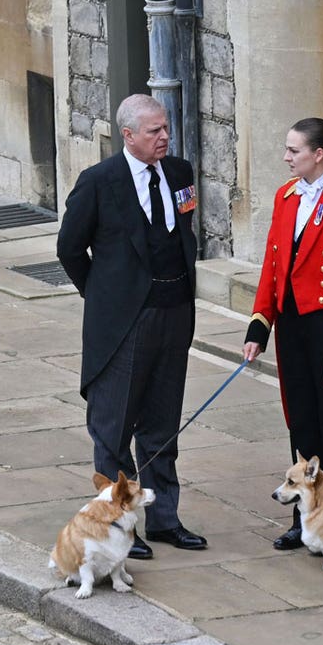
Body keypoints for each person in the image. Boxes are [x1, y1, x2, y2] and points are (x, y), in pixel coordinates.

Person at [56, 93, 207, 560]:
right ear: (127, 135)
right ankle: (120, 526)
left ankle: (164, 519)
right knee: (114, 427)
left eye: (165, 129)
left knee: (162, 425)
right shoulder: (99, 182)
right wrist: (105, 298)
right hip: (123, 324)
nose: (164, 137)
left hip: (173, 314)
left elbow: (184, 233)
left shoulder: (179, 174)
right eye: (153, 131)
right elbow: (69, 249)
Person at [242, 118, 323, 551]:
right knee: (301, 421)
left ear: (318, 154)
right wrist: (259, 324)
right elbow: (273, 266)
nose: (286, 157)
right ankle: (307, 519)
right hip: (294, 326)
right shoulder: (285, 197)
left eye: (294, 151)